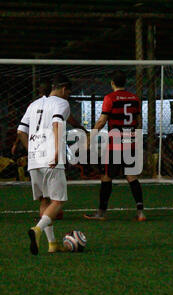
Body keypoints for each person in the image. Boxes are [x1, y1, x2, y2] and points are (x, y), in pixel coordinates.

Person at [17, 74, 72, 255]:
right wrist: (56, 152)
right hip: (50, 157)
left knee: (44, 200)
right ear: (64, 89)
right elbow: (57, 123)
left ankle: (52, 244)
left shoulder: (33, 105)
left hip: (35, 159)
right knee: (58, 200)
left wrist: (30, 150)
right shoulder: (61, 103)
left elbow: (21, 130)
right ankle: (37, 229)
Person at [84, 70, 145, 221]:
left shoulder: (110, 98)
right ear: (125, 83)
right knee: (131, 176)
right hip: (130, 142)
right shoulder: (135, 98)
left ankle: (101, 212)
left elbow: (102, 121)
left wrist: (89, 137)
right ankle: (141, 212)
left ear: (112, 83)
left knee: (106, 176)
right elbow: (139, 122)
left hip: (115, 144)